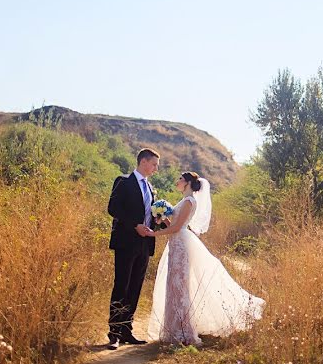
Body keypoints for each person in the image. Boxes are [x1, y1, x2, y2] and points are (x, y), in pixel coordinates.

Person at [144, 171, 265, 346]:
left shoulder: (189, 201)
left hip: (181, 244)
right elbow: (174, 225)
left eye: (179, 179)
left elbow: (178, 227)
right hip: (176, 243)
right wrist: (162, 218)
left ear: (186, 183)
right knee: (174, 285)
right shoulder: (183, 201)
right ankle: (173, 329)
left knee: (180, 286)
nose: (177, 181)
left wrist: (153, 234)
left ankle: (183, 331)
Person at [106, 148, 160, 350]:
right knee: (122, 286)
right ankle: (114, 334)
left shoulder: (150, 187)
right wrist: (134, 225)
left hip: (144, 246)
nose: (155, 169)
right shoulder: (123, 181)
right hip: (126, 242)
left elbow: (150, 215)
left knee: (135, 287)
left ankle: (127, 330)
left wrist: (162, 221)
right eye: (154, 164)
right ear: (144, 162)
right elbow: (113, 208)